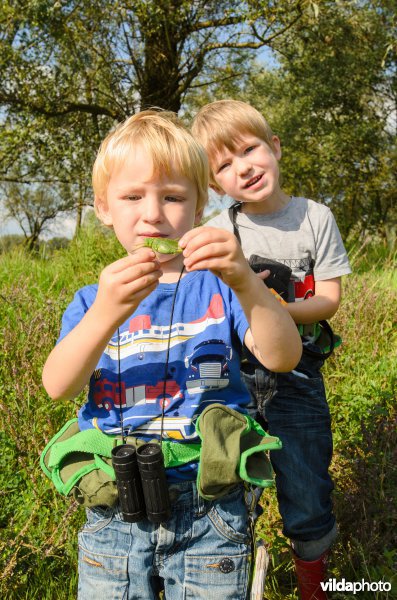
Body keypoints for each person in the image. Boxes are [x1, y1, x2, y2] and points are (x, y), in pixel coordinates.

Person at [42, 109, 302, 600]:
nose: (153, 213)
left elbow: (282, 356)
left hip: (211, 508)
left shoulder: (220, 288)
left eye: (173, 197)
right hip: (114, 512)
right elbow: (57, 385)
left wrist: (246, 280)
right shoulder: (90, 299)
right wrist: (104, 313)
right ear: (103, 206)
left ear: (200, 203)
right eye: (133, 196)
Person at [191, 99, 352, 600]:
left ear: (274, 147)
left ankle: (313, 580)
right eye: (224, 165)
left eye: (249, 149)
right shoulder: (220, 230)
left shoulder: (314, 217)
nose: (243, 167)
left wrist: (276, 305)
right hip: (236, 376)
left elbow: (326, 301)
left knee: (305, 485)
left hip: (298, 376)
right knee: (230, 485)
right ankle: (230, 576)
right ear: (216, 185)